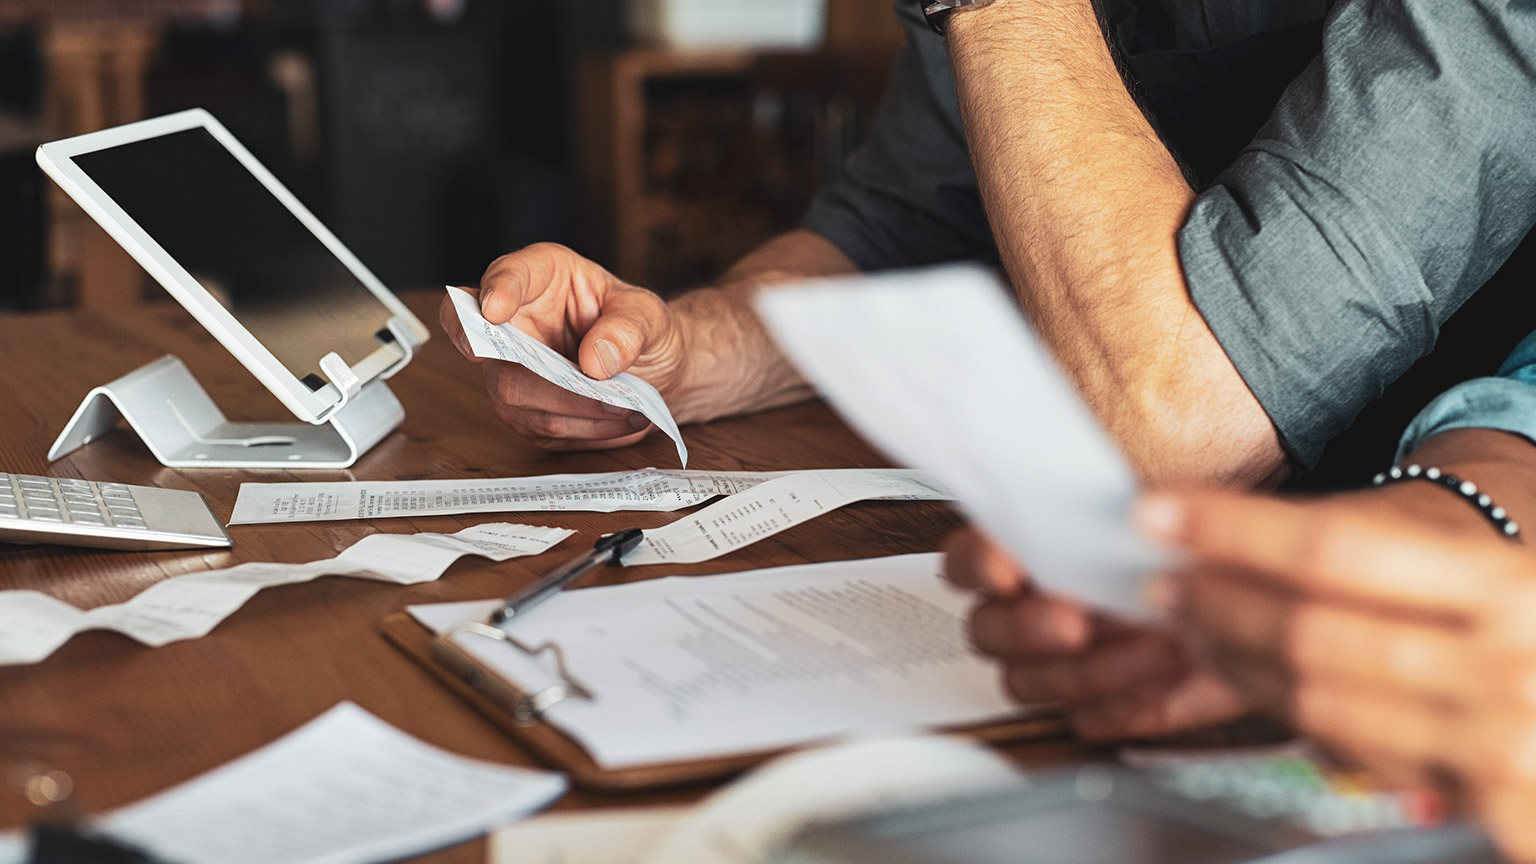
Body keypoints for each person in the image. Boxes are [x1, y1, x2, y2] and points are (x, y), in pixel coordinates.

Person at [441, 0, 1536, 488]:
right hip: (1124, 587)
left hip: (1443, 622)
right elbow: (898, 228)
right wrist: (680, 350)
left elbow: (1184, 433)